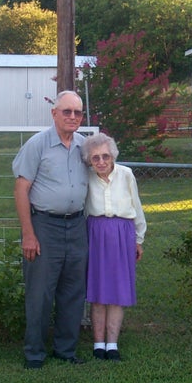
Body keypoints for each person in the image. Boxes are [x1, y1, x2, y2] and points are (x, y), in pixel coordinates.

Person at [12, 90, 89, 369]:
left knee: (73, 291)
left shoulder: (85, 147)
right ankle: (34, 353)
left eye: (77, 112)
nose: (72, 117)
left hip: (78, 226)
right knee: (40, 293)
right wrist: (29, 234)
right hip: (44, 225)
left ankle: (66, 350)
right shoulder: (37, 145)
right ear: (53, 113)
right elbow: (21, 188)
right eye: (66, 111)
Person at [82, 133, 146, 362]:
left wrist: (139, 238)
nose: (101, 162)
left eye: (105, 156)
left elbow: (136, 206)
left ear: (113, 156)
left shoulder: (126, 174)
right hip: (95, 233)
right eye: (95, 158)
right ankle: (98, 344)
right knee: (98, 291)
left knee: (117, 292)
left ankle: (113, 344)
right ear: (89, 160)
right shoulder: (87, 177)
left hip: (122, 233)